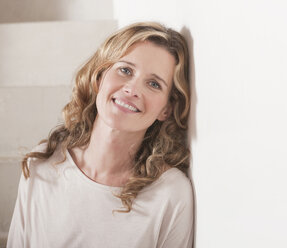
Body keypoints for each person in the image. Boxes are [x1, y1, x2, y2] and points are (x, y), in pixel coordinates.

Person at [7, 22, 194, 248]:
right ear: (99, 77)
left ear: (166, 109)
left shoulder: (171, 195)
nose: (132, 89)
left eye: (154, 84)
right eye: (125, 70)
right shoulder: (41, 165)